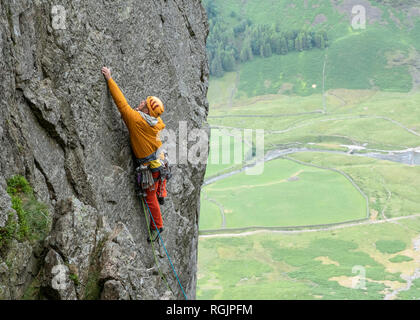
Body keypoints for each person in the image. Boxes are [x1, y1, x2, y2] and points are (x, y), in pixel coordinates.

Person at [101, 66, 167, 242]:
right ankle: (163, 191)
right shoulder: (156, 121)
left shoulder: (137, 120)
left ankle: (157, 226)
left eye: (144, 104)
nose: (140, 103)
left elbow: (121, 103)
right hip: (160, 162)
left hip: (150, 167)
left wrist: (109, 79)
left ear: (146, 111)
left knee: (150, 197)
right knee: (159, 179)